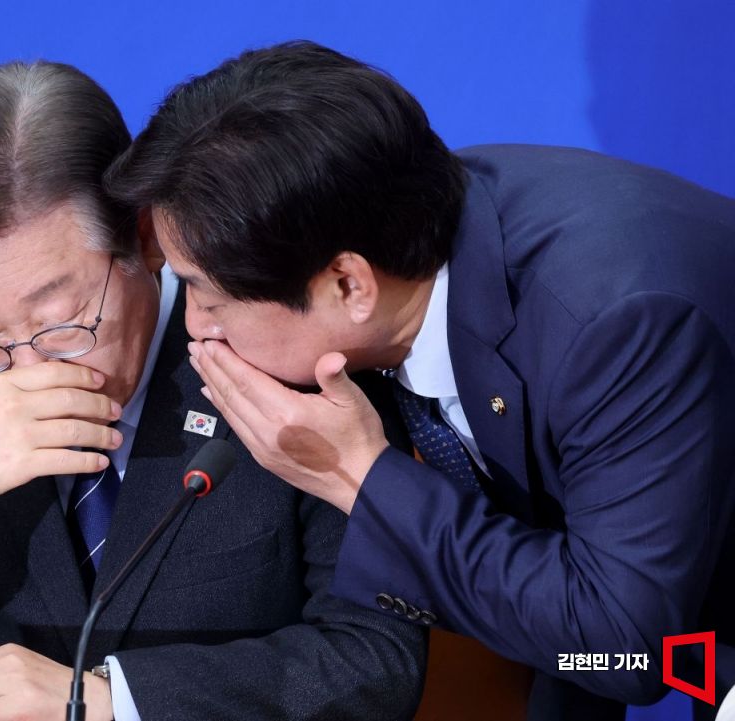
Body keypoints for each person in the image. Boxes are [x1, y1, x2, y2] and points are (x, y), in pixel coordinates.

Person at [0, 60, 426, 721]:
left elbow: (376, 661)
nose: (28, 371)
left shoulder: (279, 343)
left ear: (144, 238)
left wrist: (116, 699)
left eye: (62, 322)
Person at [104, 41, 735, 720]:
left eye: (206, 294)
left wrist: (359, 475)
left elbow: (622, 648)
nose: (195, 327)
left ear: (349, 285)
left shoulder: (614, 326)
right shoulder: (401, 244)